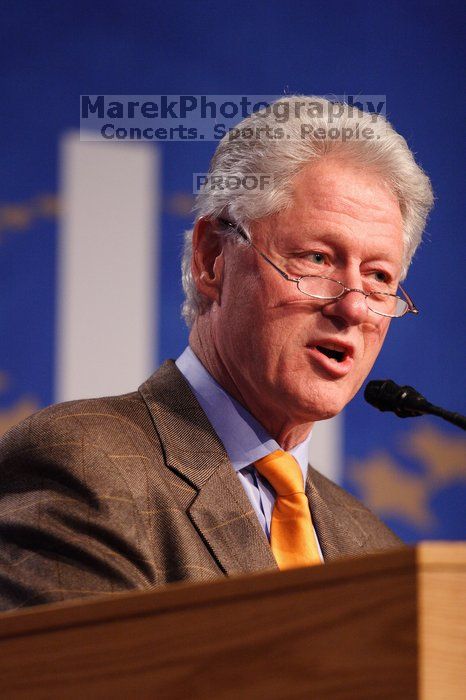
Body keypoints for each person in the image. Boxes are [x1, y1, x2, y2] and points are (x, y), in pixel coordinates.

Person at [0, 96, 433, 611]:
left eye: (380, 277)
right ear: (212, 260)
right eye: (317, 258)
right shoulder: (87, 466)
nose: (355, 306)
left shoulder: (373, 548)